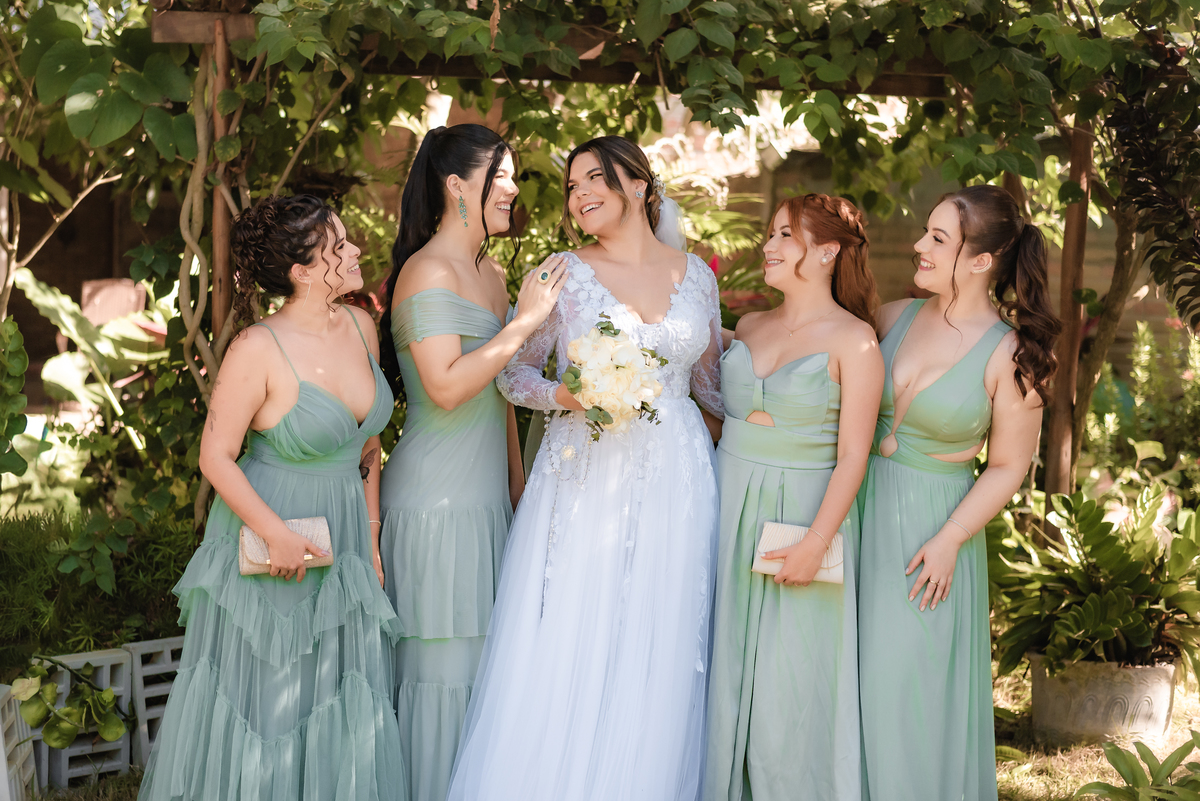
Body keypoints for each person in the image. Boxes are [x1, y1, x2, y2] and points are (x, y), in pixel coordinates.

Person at [445, 136, 724, 801]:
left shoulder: (698, 275)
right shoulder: (559, 273)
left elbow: (711, 390)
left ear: (638, 185)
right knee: (578, 627)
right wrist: (568, 395)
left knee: (663, 630)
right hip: (584, 471)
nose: (579, 196)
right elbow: (513, 375)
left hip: (679, 476)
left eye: (594, 179)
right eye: (571, 186)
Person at [139, 195, 406, 801]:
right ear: (303, 272)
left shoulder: (363, 326)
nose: (357, 248)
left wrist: (371, 538)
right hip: (272, 525)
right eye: (339, 244)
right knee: (273, 697)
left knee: (341, 692)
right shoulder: (257, 347)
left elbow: (368, 448)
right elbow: (215, 457)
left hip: (345, 533)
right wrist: (278, 534)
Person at [376, 123, 566, 801]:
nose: (514, 188)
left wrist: (519, 490)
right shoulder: (426, 270)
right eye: (502, 175)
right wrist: (523, 322)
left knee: (488, 670)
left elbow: (503, 394)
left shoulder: (491, 271)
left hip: (487, 498)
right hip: (436, 502)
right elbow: (449, 385)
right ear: (457, 186)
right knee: (442, 674)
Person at [857, 185, 1060, 801]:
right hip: (858, 513)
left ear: (979, 261)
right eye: (927, 232)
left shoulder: (1012, 354)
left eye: (937, 239)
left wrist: (950, 538)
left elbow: (1007, 466)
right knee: (850, 683)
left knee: (909, 692)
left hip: (934, 534)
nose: (918, 245)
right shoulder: (891, 317)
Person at [705, 194, 882, 801]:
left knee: (794, 680)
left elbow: (854, 455)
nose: (768, 246)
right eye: (770, 234)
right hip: (725, 505)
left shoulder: (856, 341)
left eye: (785, 235)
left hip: (804, 514)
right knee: (718, 664)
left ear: (827, 251)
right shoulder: (749, 326)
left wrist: (816, 542)